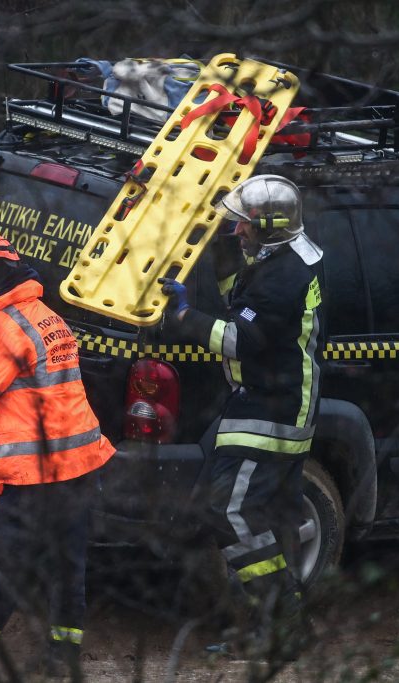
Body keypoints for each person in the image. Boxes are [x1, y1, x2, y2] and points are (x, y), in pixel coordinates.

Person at [0, 232, 115, 674]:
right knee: (68, 564)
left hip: (36, 474)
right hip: (77, 465)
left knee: (6, 563)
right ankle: (64, 652)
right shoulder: (47, 317)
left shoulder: (2, 330)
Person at [158, 174, 324, 659]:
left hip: (272, 408)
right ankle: (266, 628)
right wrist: (223, 256)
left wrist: (184, 317)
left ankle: (285, 622)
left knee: (227, 511)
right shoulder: (284, 257)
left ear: (270, 227)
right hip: (266, 401)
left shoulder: (285, 276)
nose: (238, 231)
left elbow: (240, 338)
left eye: (244, 226)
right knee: (258, 519)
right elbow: (244, 303)